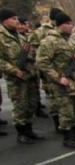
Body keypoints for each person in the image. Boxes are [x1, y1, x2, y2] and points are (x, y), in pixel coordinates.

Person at [36, 12, 75, 149]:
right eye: (69, 24)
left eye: (72, 23)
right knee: (67, 112)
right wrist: (58, 78)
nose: (72, 26)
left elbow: (74, 58)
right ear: (61, 25)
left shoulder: (70, 40)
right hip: (63, 84)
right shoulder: (49, 41)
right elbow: (42, 63)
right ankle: (68, 138)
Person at [0, 8, 42, 144]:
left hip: (28, 75)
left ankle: (29, 130)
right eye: (13, 19)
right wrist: (14, 71)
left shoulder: (20, 36)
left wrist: (32, 54)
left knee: (31, 104)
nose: (17, 21)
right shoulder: (1, 37)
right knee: (20, 106)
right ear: (4, 20)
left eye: (17, 18)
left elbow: (29, 53)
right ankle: (21, 133)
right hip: (16, 78)